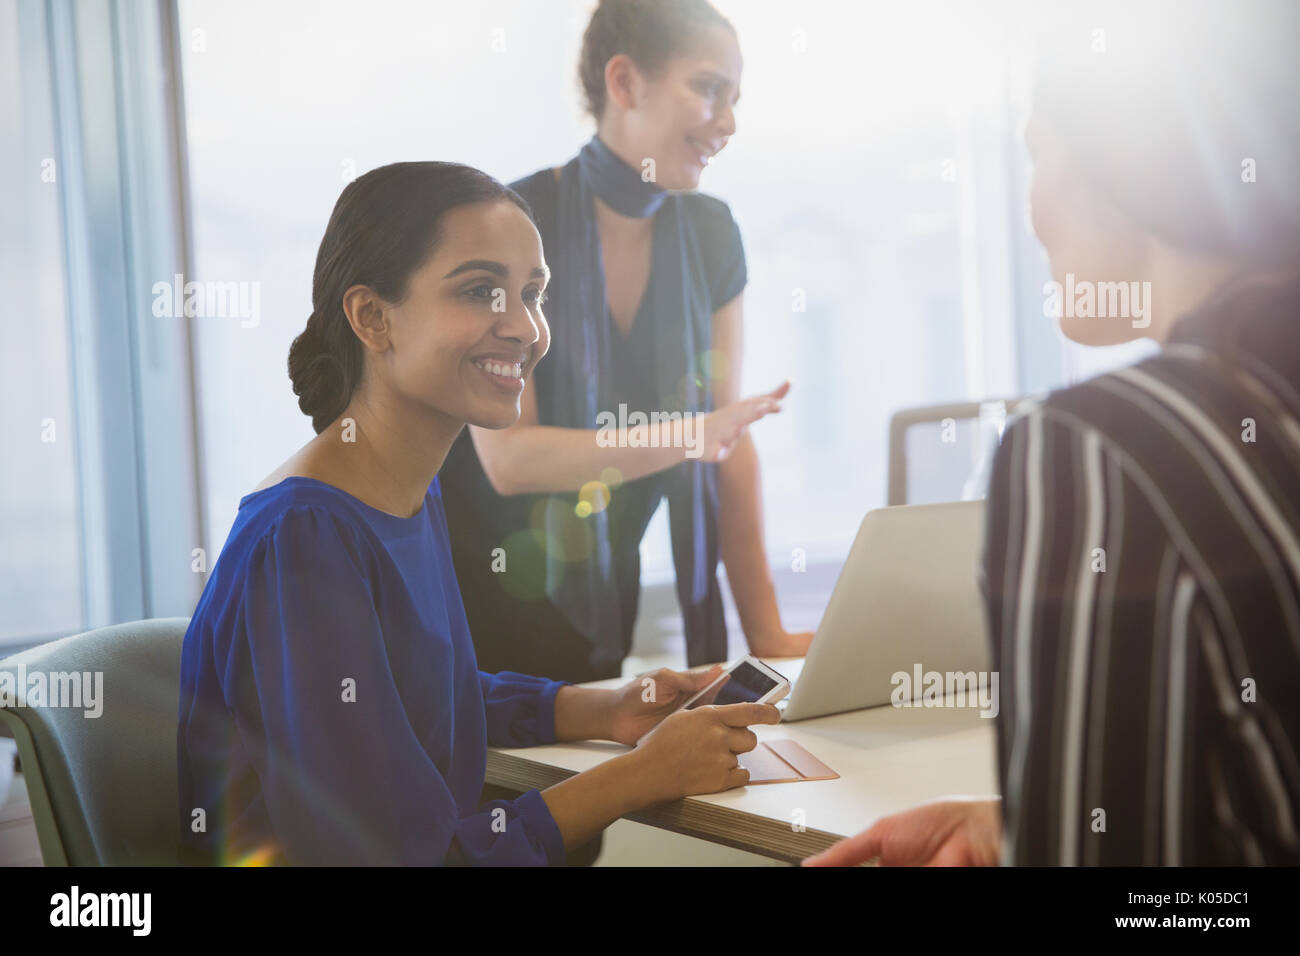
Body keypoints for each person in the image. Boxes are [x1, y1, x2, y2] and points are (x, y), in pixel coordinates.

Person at [805, 0, 1300, 866]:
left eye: (1036, 153)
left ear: (1122, 168)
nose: (1032, 208)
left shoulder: (1106, 450)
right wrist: (1023, 823)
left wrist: (1054, 834)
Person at [175, 161, 779, 866]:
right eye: (481, 291)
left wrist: (602, 708)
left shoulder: (403, 491)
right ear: (372, 317)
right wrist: (640, 775)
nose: (526, 329)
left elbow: (422, 696)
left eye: (534, 294)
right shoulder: (304, 540)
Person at [440, 0, 812, 684]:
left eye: (735, 100)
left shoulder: (711, 234)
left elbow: (724, 442)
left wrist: (768, 633)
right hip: (481, 609)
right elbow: (511, 460)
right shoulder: (513, 224)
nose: (727, 122)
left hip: (601, 611)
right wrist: (693, 434)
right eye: (707, 89)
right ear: (625, 83)